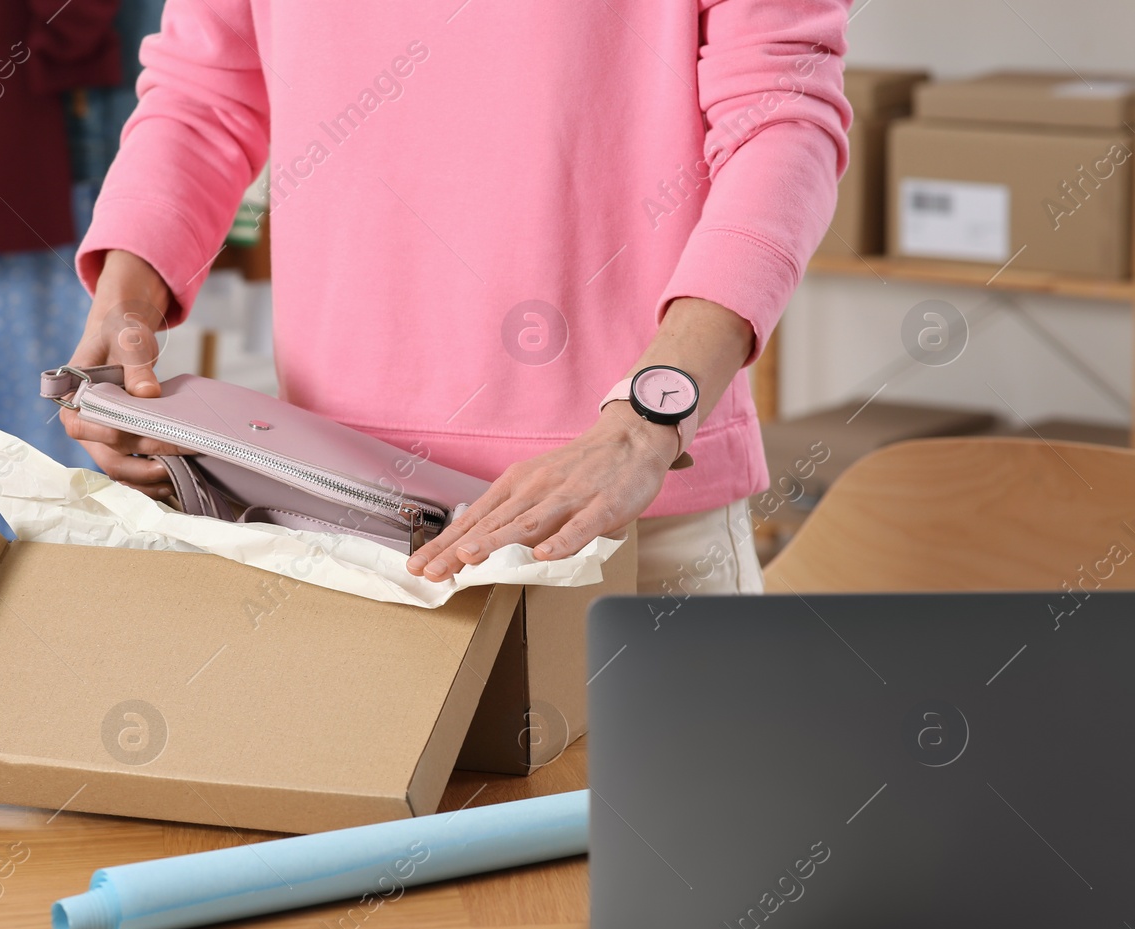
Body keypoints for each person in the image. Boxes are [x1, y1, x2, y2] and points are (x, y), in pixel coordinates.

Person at [57, 0, 851, 593]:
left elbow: (782, 119)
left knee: (685, 816)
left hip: (632, 513)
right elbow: (205, 97)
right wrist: (128, 295)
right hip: (336, 502)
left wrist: (649, 419)